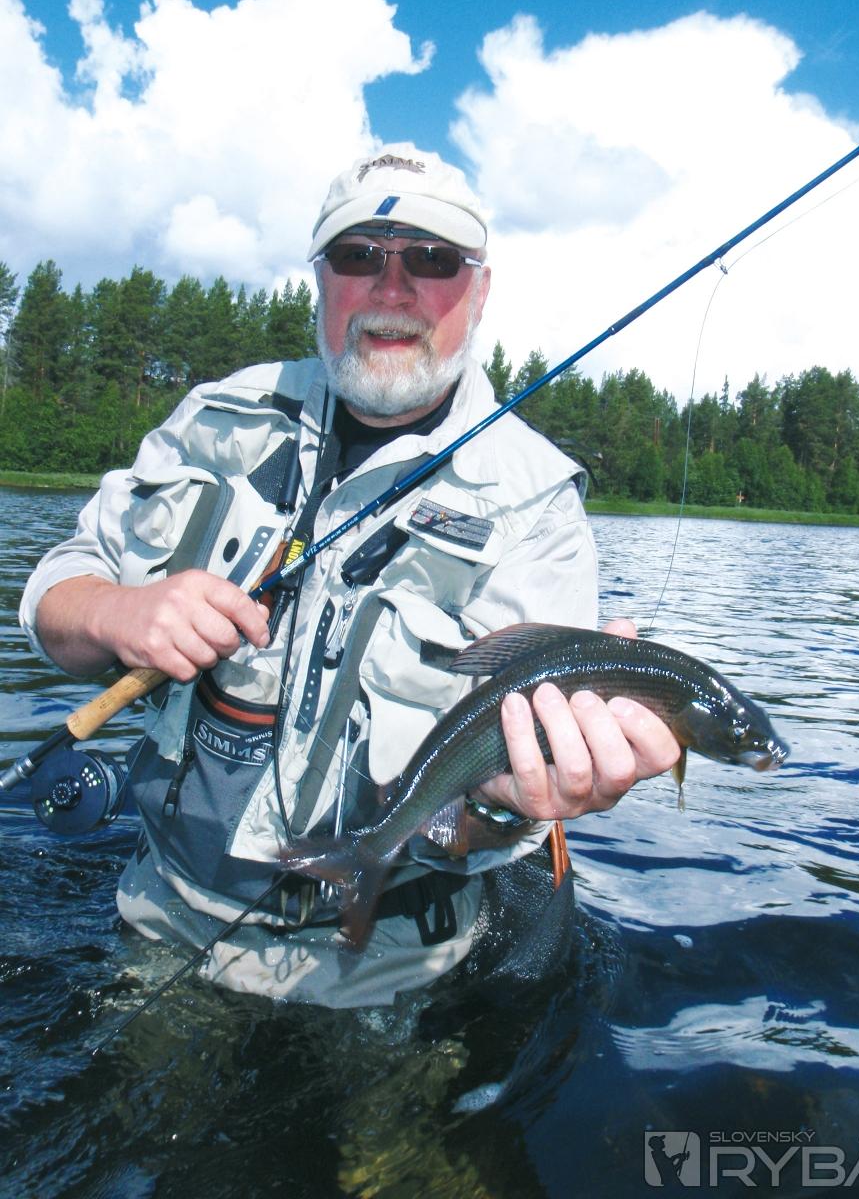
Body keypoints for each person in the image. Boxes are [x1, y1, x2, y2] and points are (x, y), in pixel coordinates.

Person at [19, 146, 680, 1007]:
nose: (392, 288)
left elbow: (477, 824)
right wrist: (113, 611)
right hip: (158, 910)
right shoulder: (214, 419)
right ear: (321, 280)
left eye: (433, 260)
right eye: (359, 255)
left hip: (385, 971)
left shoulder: (537, 507)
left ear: (479, 291)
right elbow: (55, 594)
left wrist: (512, 802)